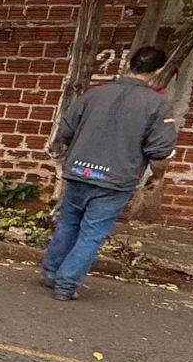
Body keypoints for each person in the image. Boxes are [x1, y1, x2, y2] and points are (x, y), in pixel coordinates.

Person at [43, 46, 178, 300]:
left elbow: (65, 131)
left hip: (79, 171)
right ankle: (66, 284)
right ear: (158, 70)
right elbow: (160, 152)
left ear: (129, 63)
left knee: (69, 223)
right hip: (115, 179)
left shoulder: (94, 95)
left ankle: (51, 272)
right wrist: (158, 176)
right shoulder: (157, 104)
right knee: (92, 233)